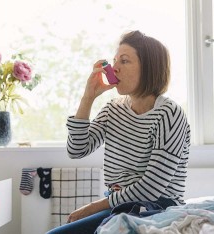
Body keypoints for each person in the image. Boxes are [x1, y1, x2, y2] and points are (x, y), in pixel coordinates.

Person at [46, 30, 191, 234]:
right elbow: (77, 150)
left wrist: (93, 207)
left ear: (149, 68)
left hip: (157, 207)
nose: (114, 68)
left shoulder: (169, 114)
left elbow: (151, 188)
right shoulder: (113, 108)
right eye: (114, 61)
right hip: (119, 206)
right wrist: (88, 97)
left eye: (124, 61)